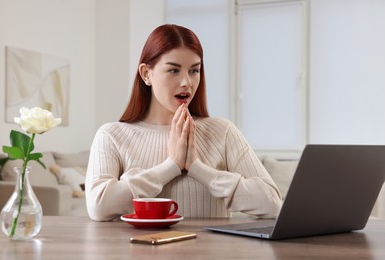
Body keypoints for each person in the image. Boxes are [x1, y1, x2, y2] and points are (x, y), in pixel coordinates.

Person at [85, 24, 282, 221]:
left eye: (194, 71)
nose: (187, 82)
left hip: (214, 252)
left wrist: (197, 168)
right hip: (141, 251)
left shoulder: (223, 131)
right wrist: (171, 166)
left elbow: (272, 204)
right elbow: (98, 207)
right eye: (173, 70)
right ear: (146, 74)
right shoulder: (111, 135)